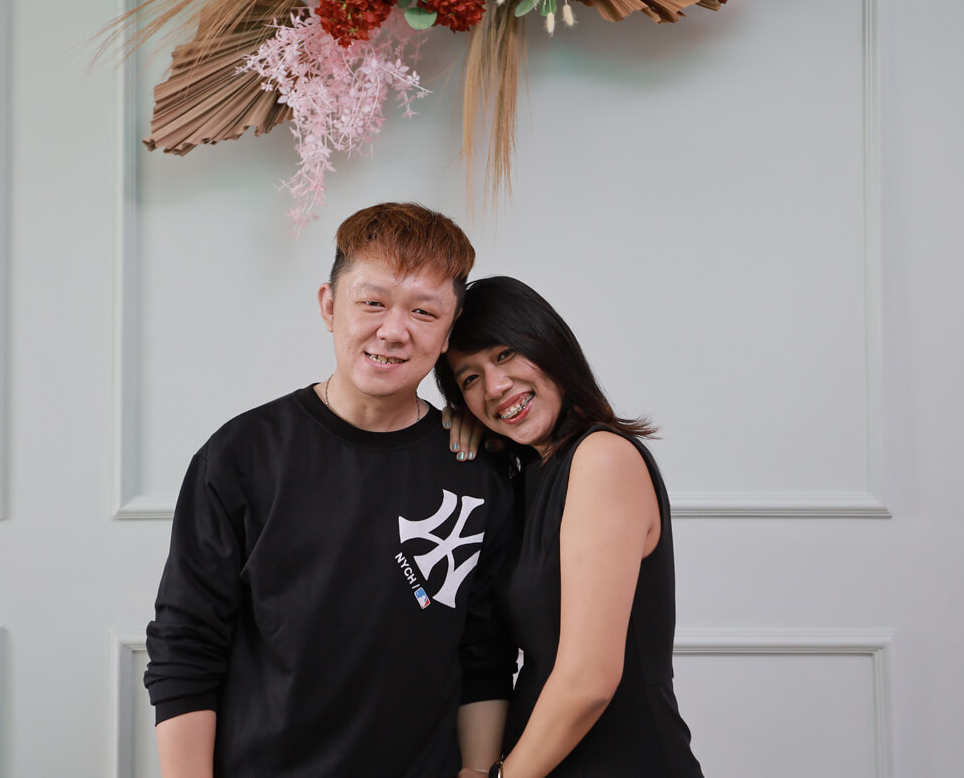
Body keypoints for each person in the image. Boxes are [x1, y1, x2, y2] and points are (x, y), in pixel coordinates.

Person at [144, 203, 516, 778]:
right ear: (328, 305)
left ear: (449, 331)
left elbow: (485, 654)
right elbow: (186, 646)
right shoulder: (242, 454)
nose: (393, 331)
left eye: (423, 311)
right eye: (372, 302)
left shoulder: (478, 471)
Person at [435, 276, 705, 778]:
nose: (494, 387)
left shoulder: (602, 458)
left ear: (547, 341)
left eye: (505, 354)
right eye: (469, 379)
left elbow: (588, 682)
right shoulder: (528, 477)